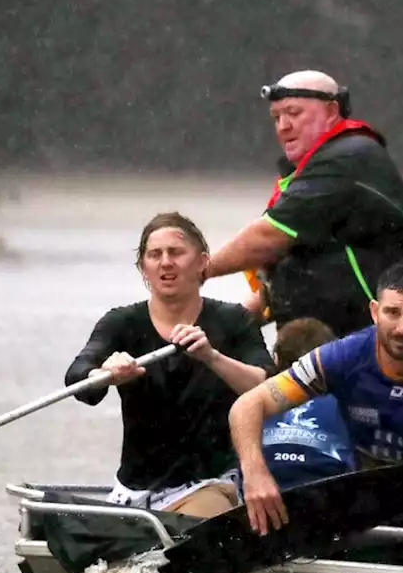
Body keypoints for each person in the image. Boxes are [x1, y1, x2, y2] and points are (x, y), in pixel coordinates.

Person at [227, 259, 403, 535]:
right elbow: (247, 406)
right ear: (374, 312)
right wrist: (255, 474)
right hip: (366, 489)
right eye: (392, 313)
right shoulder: (341, 357)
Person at [201, 69, 403, 337]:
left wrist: (199, 270)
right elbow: (293, 270)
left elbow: (269, 237)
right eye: (276, 117)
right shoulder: (310, 172)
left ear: (331, 112)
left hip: (385, 340)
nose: (283, 126)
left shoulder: (349, 156)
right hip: (329, 342)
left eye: (294, 113)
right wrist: (221, 329)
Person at [64, 211, 275, 517]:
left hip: (210, 483)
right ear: (143, 268)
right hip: (133, 491)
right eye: (155, 255)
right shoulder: (121, 322)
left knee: (199, 522)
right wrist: (105, 374)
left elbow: (267, 388)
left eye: (176, 253)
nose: (165, 262)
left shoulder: (233, 320)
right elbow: (78, 380)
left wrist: (211, 357)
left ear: (202, 262)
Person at [251, 317, 357, 490]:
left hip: (260, 496)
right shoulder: (348, 403)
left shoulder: (256, 405)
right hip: (328, 494)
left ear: (276, 359)